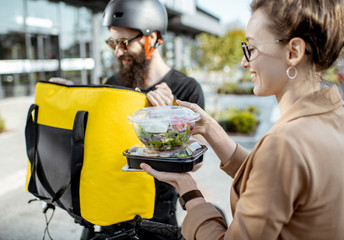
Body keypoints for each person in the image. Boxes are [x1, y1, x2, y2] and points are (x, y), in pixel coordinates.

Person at [140, 0, 344, 239]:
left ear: (293, 52)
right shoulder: (333, 117)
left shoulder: (285, 143)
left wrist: (189, 190)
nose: (243, 62)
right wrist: (209, 128)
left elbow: (277, 165)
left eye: (251, 49)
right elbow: (275, 181)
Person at [51, 0, 205, 239]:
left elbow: (195, 163)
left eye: (124, 42)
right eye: (112, 42)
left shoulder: (185, 90)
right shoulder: (112, 83)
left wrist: (171, 116)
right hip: (107, 211)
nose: (117, 51)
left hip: (155, 218)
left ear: (152, 38)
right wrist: (71, 99)